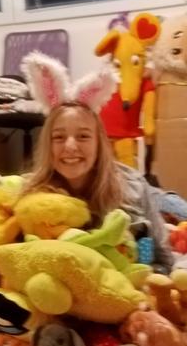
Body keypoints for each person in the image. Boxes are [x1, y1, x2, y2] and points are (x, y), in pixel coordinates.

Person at [22, 100, 174, 272]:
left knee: (170, 202)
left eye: (83, 136)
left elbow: (164, 260)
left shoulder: (134, 186)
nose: (70, 146)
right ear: (47, 145)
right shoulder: (31, 196)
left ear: (99, 142)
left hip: (155, 197)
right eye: (58, 137)